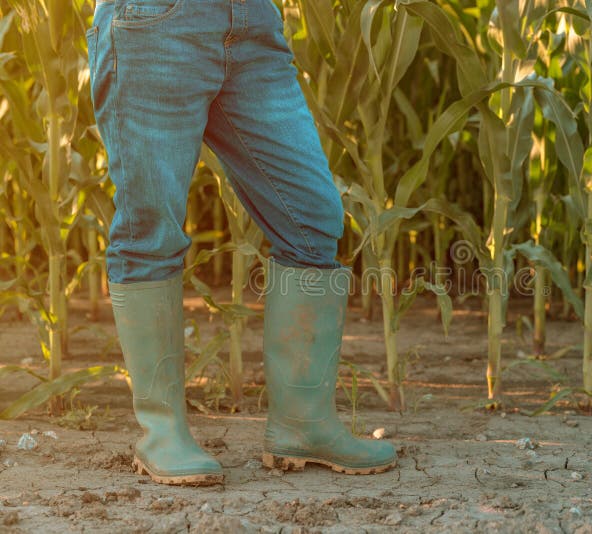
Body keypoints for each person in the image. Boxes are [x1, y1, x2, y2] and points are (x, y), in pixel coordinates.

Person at [85, 0, 397, 485]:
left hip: (252, 24)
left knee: (311, 217)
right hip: (154, 24)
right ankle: (162, 433)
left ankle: (303, 425)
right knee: (151, 230)